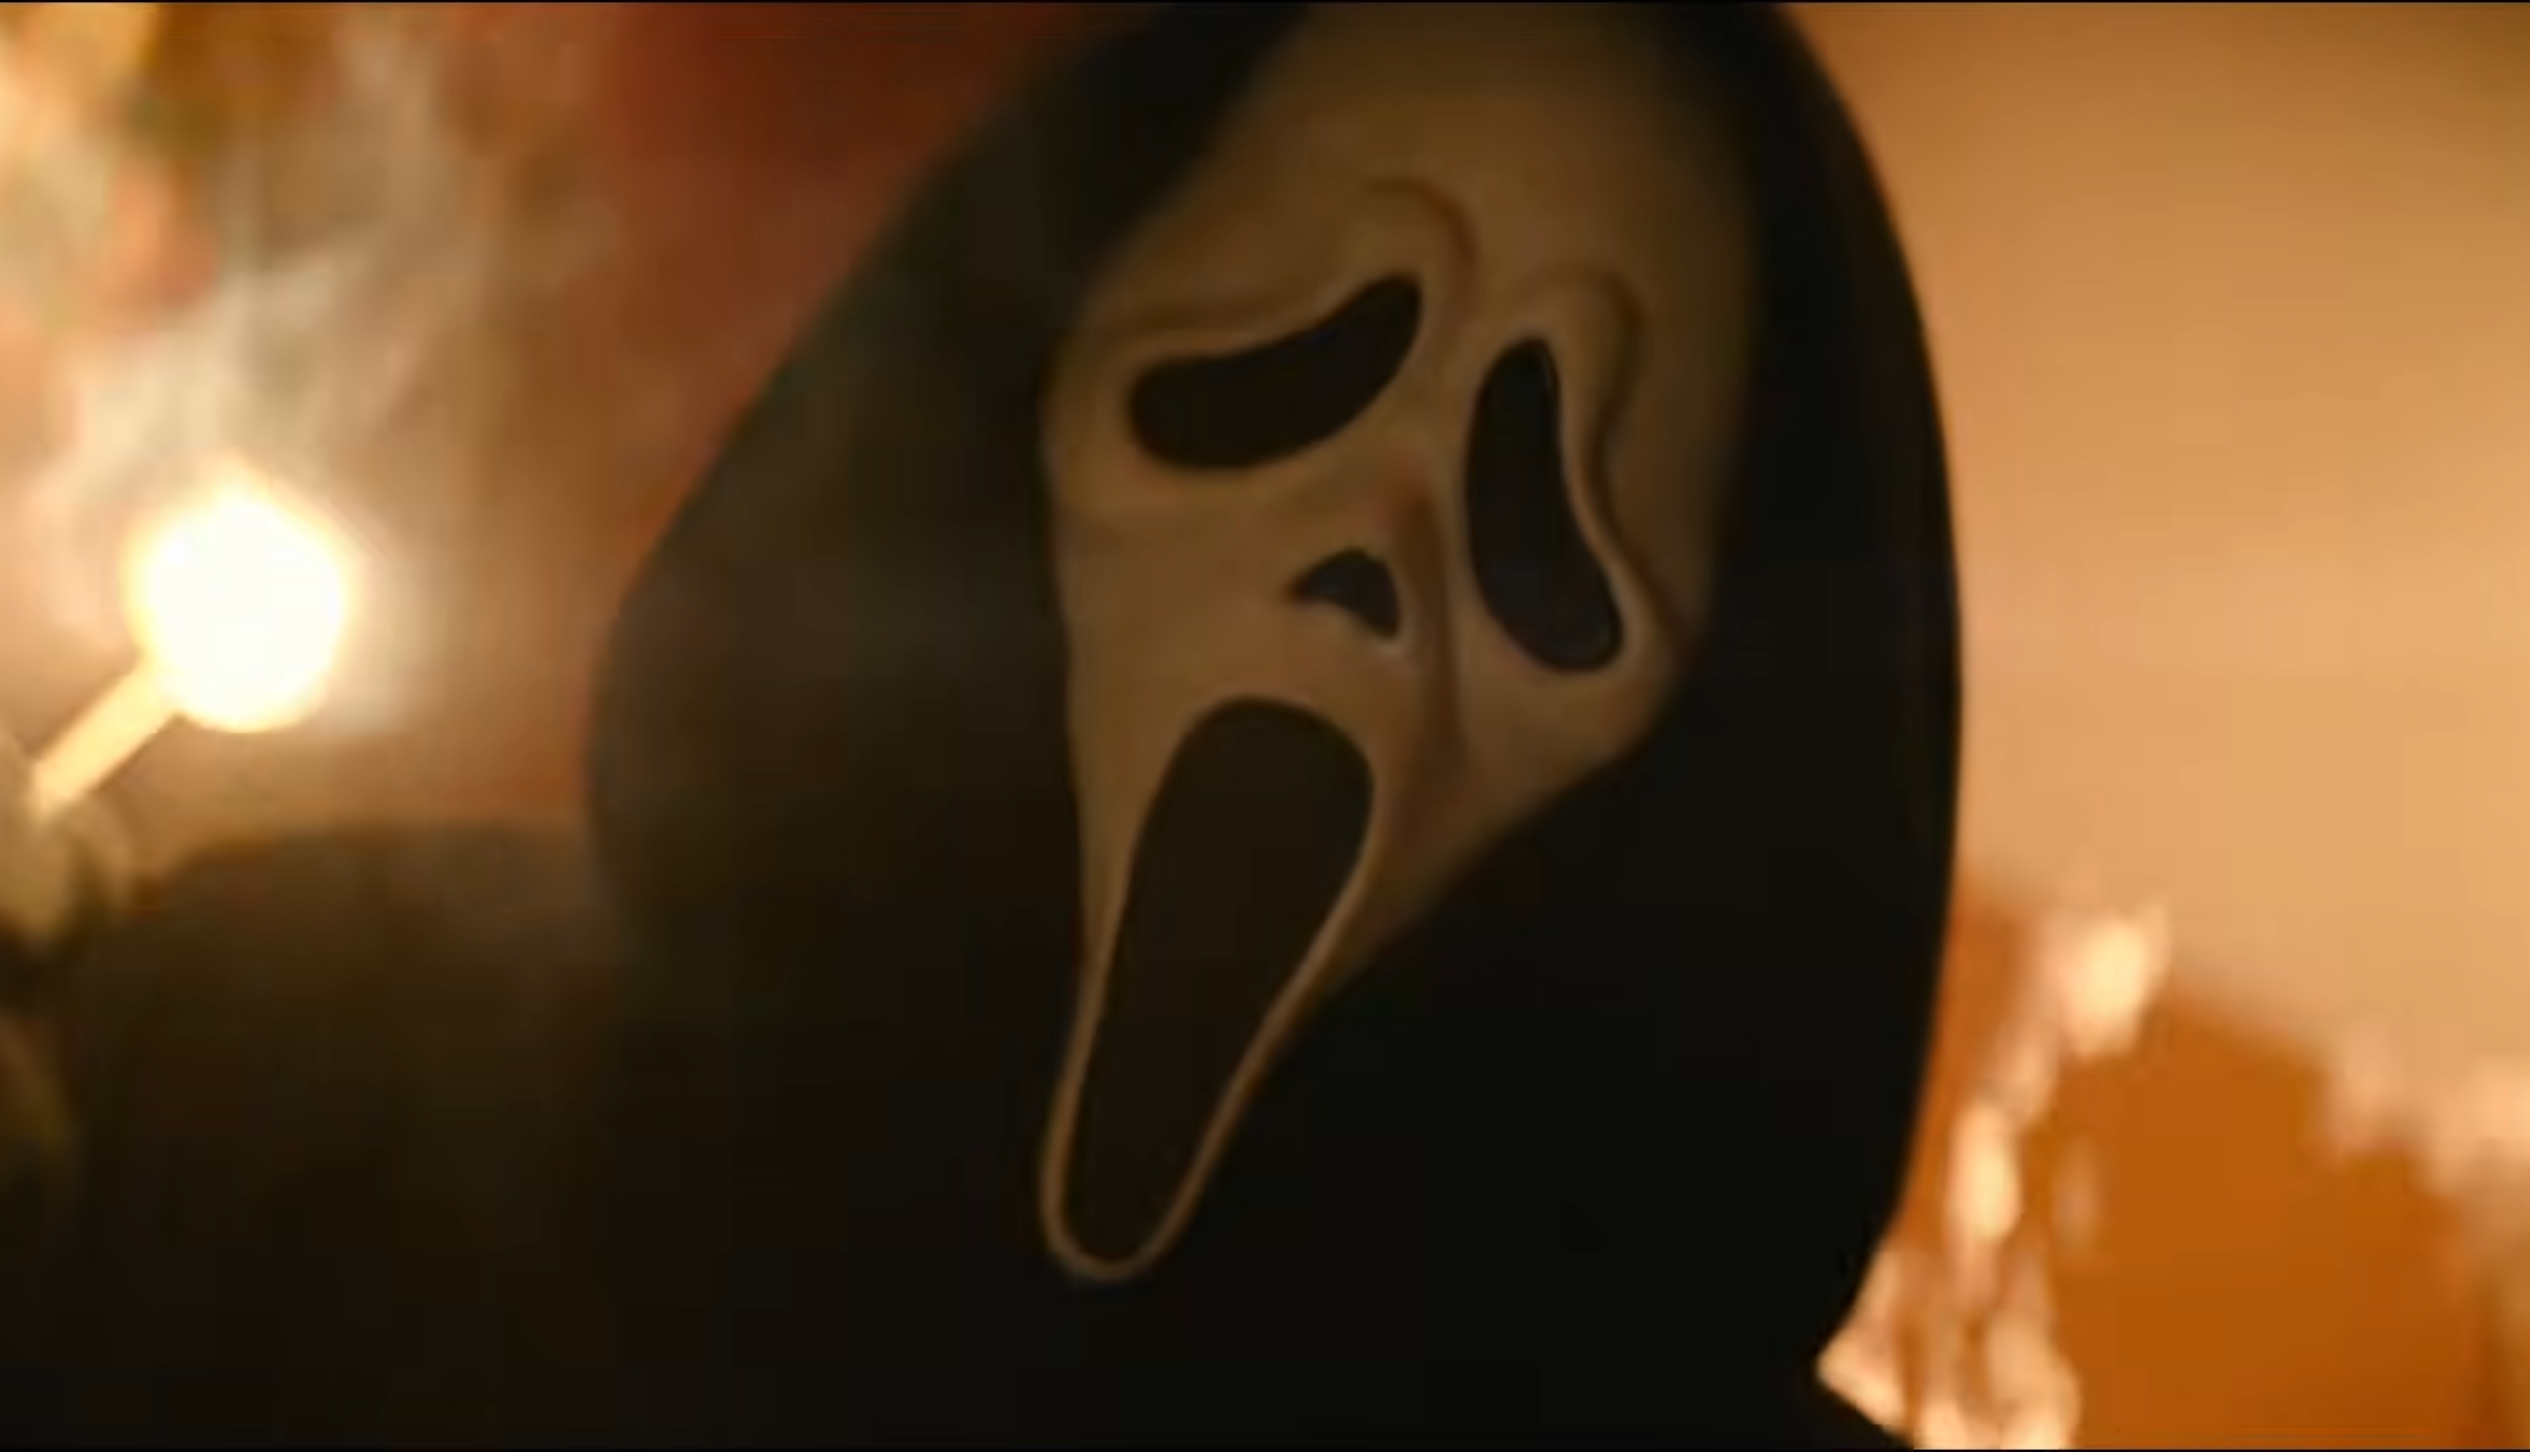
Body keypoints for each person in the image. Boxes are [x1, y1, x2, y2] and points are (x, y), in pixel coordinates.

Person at [1, 5, 1957, 1444]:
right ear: (1024, 402)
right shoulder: (303, 1076)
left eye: (1540, 535)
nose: (1374, 550)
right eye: (1278, 367)